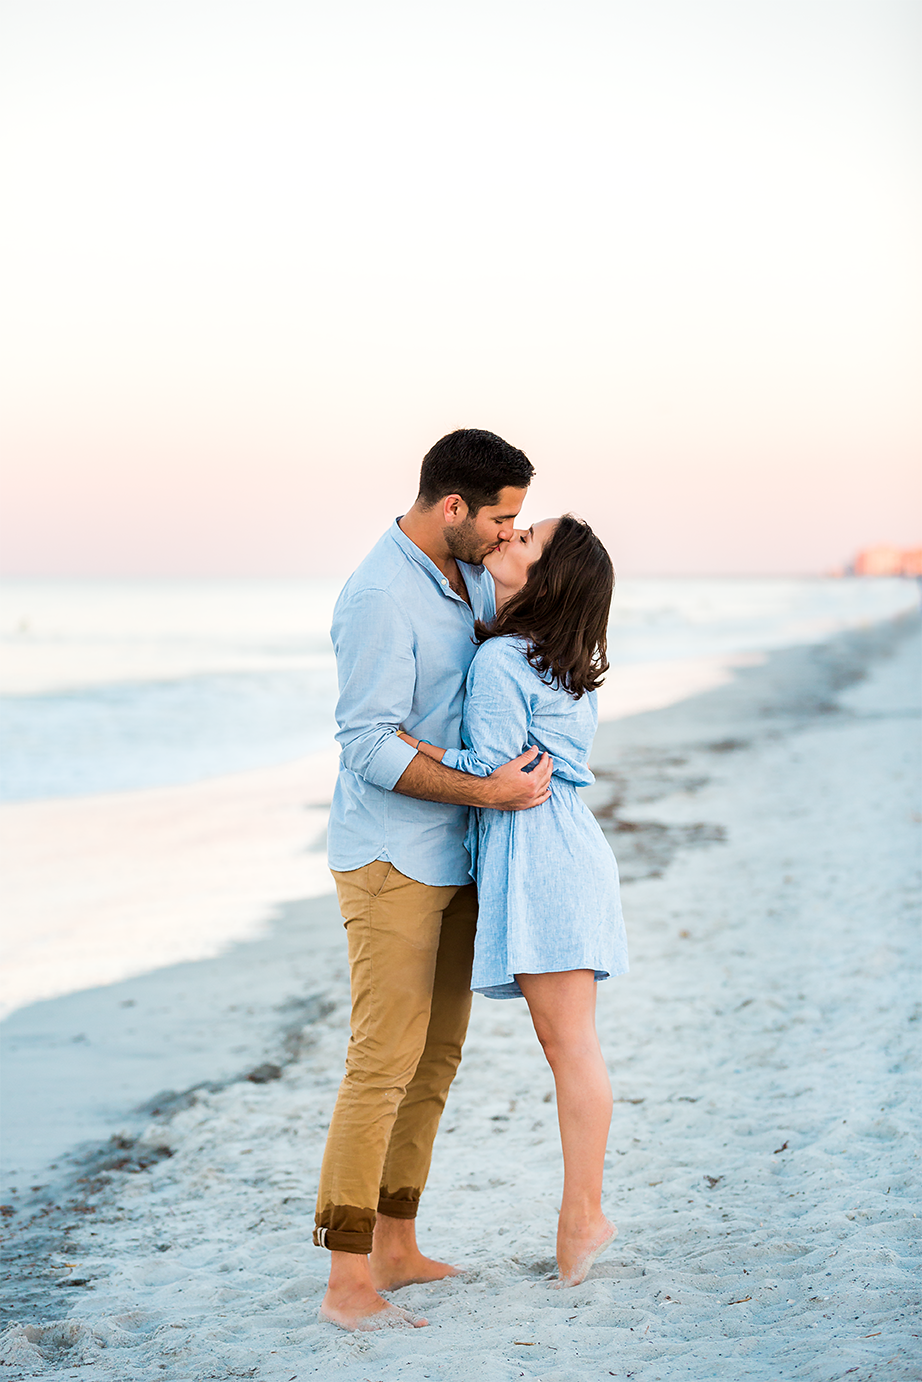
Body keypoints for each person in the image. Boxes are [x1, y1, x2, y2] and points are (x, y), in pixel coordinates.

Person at [315, 429, 554, 1331]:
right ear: (452, 506)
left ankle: (396, 1245)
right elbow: (368, 744)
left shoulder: (460, 576)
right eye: (501, 518)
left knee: (437, 1057)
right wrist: (485, 785)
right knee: (380, 1063)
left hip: (456, 849)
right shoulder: (380, 595)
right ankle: (346, 1285)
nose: (508, 534)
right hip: (390, 859)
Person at [398, 513, 628, 1287]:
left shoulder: (502, 659)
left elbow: (493, 775)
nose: (506, 539)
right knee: (573, 1050)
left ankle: (584, 1218)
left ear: (547, 576)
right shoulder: (558, 660)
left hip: (543, 855)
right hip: (563, 850)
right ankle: (583, 1216)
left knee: (571, 1051)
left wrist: (403, 746)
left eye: (524, 538)